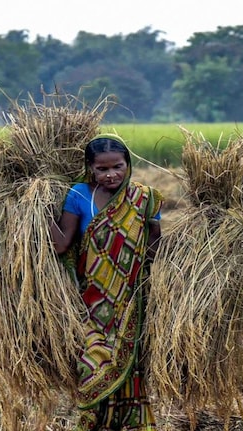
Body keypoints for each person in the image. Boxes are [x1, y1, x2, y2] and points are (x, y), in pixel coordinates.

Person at [51, 133, 164, 431]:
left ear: (128, 164)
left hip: (131, 299)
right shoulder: (78, 195)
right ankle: (92, 422)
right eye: (102, 169)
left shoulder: (146, 198)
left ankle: (129, 424)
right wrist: (33, 206)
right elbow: (62, 244)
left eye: (118, 166)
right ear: (90, 168)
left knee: (130, 364)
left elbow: (154, 248)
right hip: (91, 299)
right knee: (92, 361)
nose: (111, 174)